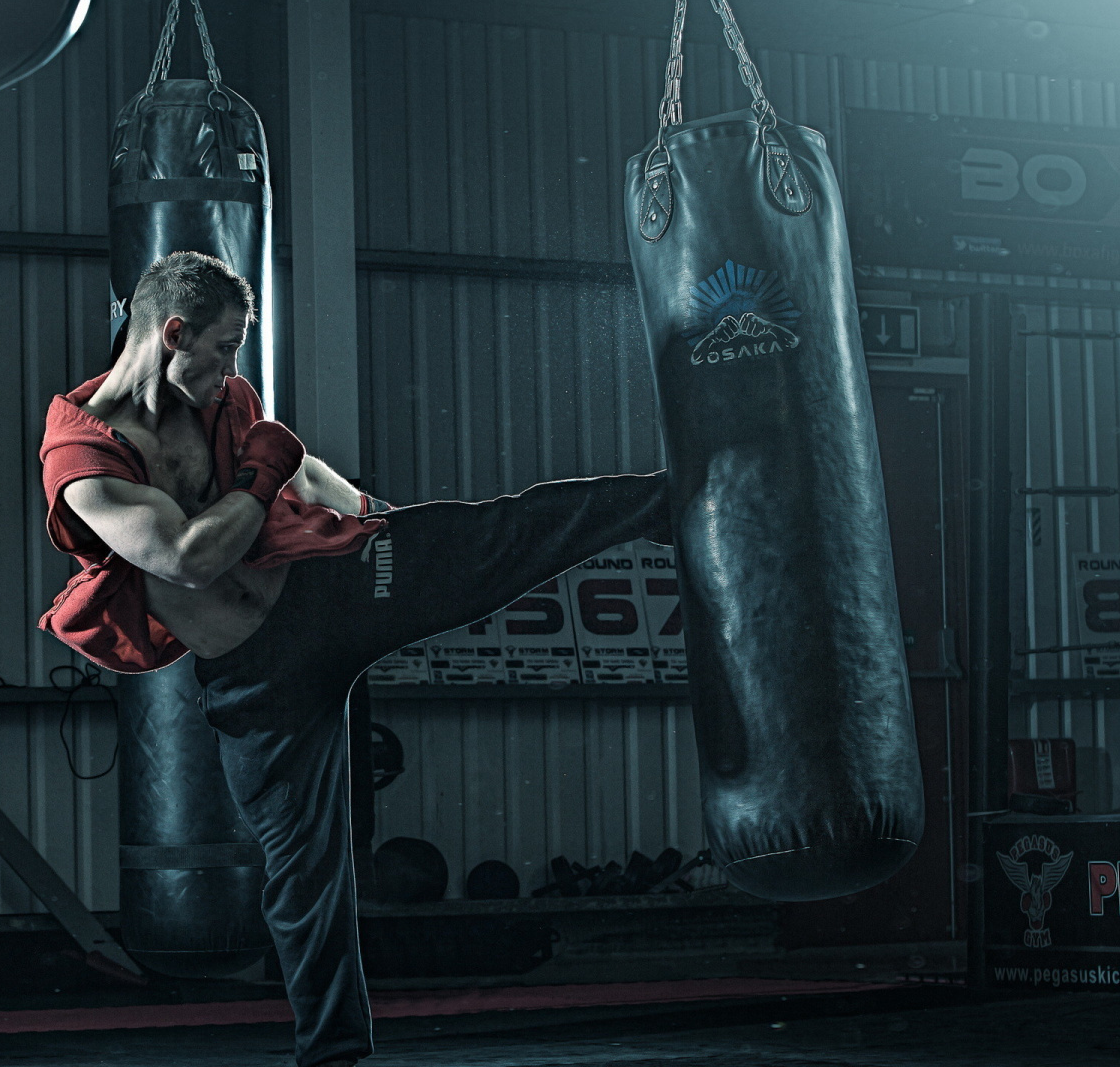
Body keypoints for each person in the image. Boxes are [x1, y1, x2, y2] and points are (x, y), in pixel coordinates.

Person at [39, 251, 668, 1067]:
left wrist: (382, 521)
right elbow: (189, 557)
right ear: (172, 333)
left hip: (332, 589)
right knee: (305, 872)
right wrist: (264, 480)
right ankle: (333, 1054)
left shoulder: (218, 398)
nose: (233, 368)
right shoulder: (84, 457)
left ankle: (679, 499)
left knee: (502, 534)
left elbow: (296, 464)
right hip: (259, 676)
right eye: (225, 347)